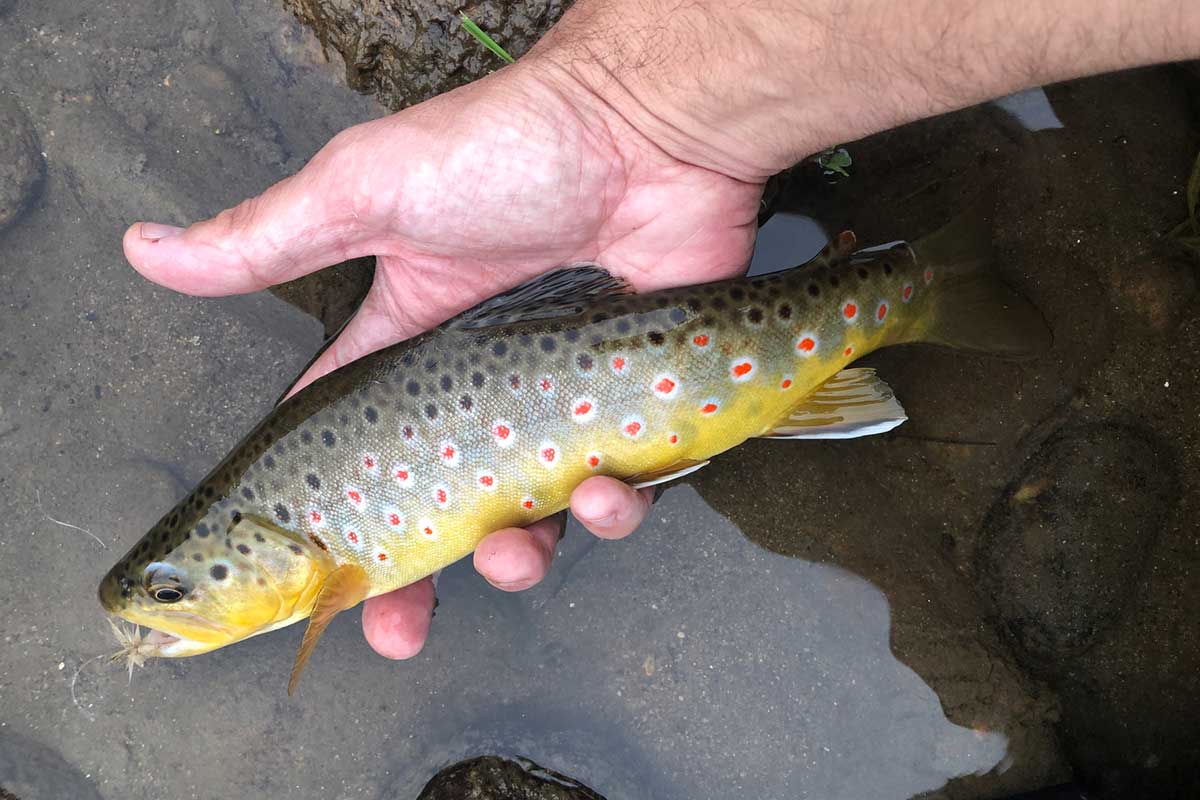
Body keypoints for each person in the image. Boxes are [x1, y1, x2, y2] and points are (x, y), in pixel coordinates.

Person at [121, 0, 1198, 659]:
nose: (163, 608)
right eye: (169, 592)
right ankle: (896, 295)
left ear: (251, 555)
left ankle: (907, 291)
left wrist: (628, 111)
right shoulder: (321, 543)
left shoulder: (336, 571)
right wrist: (629, 103)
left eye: (171, 590)